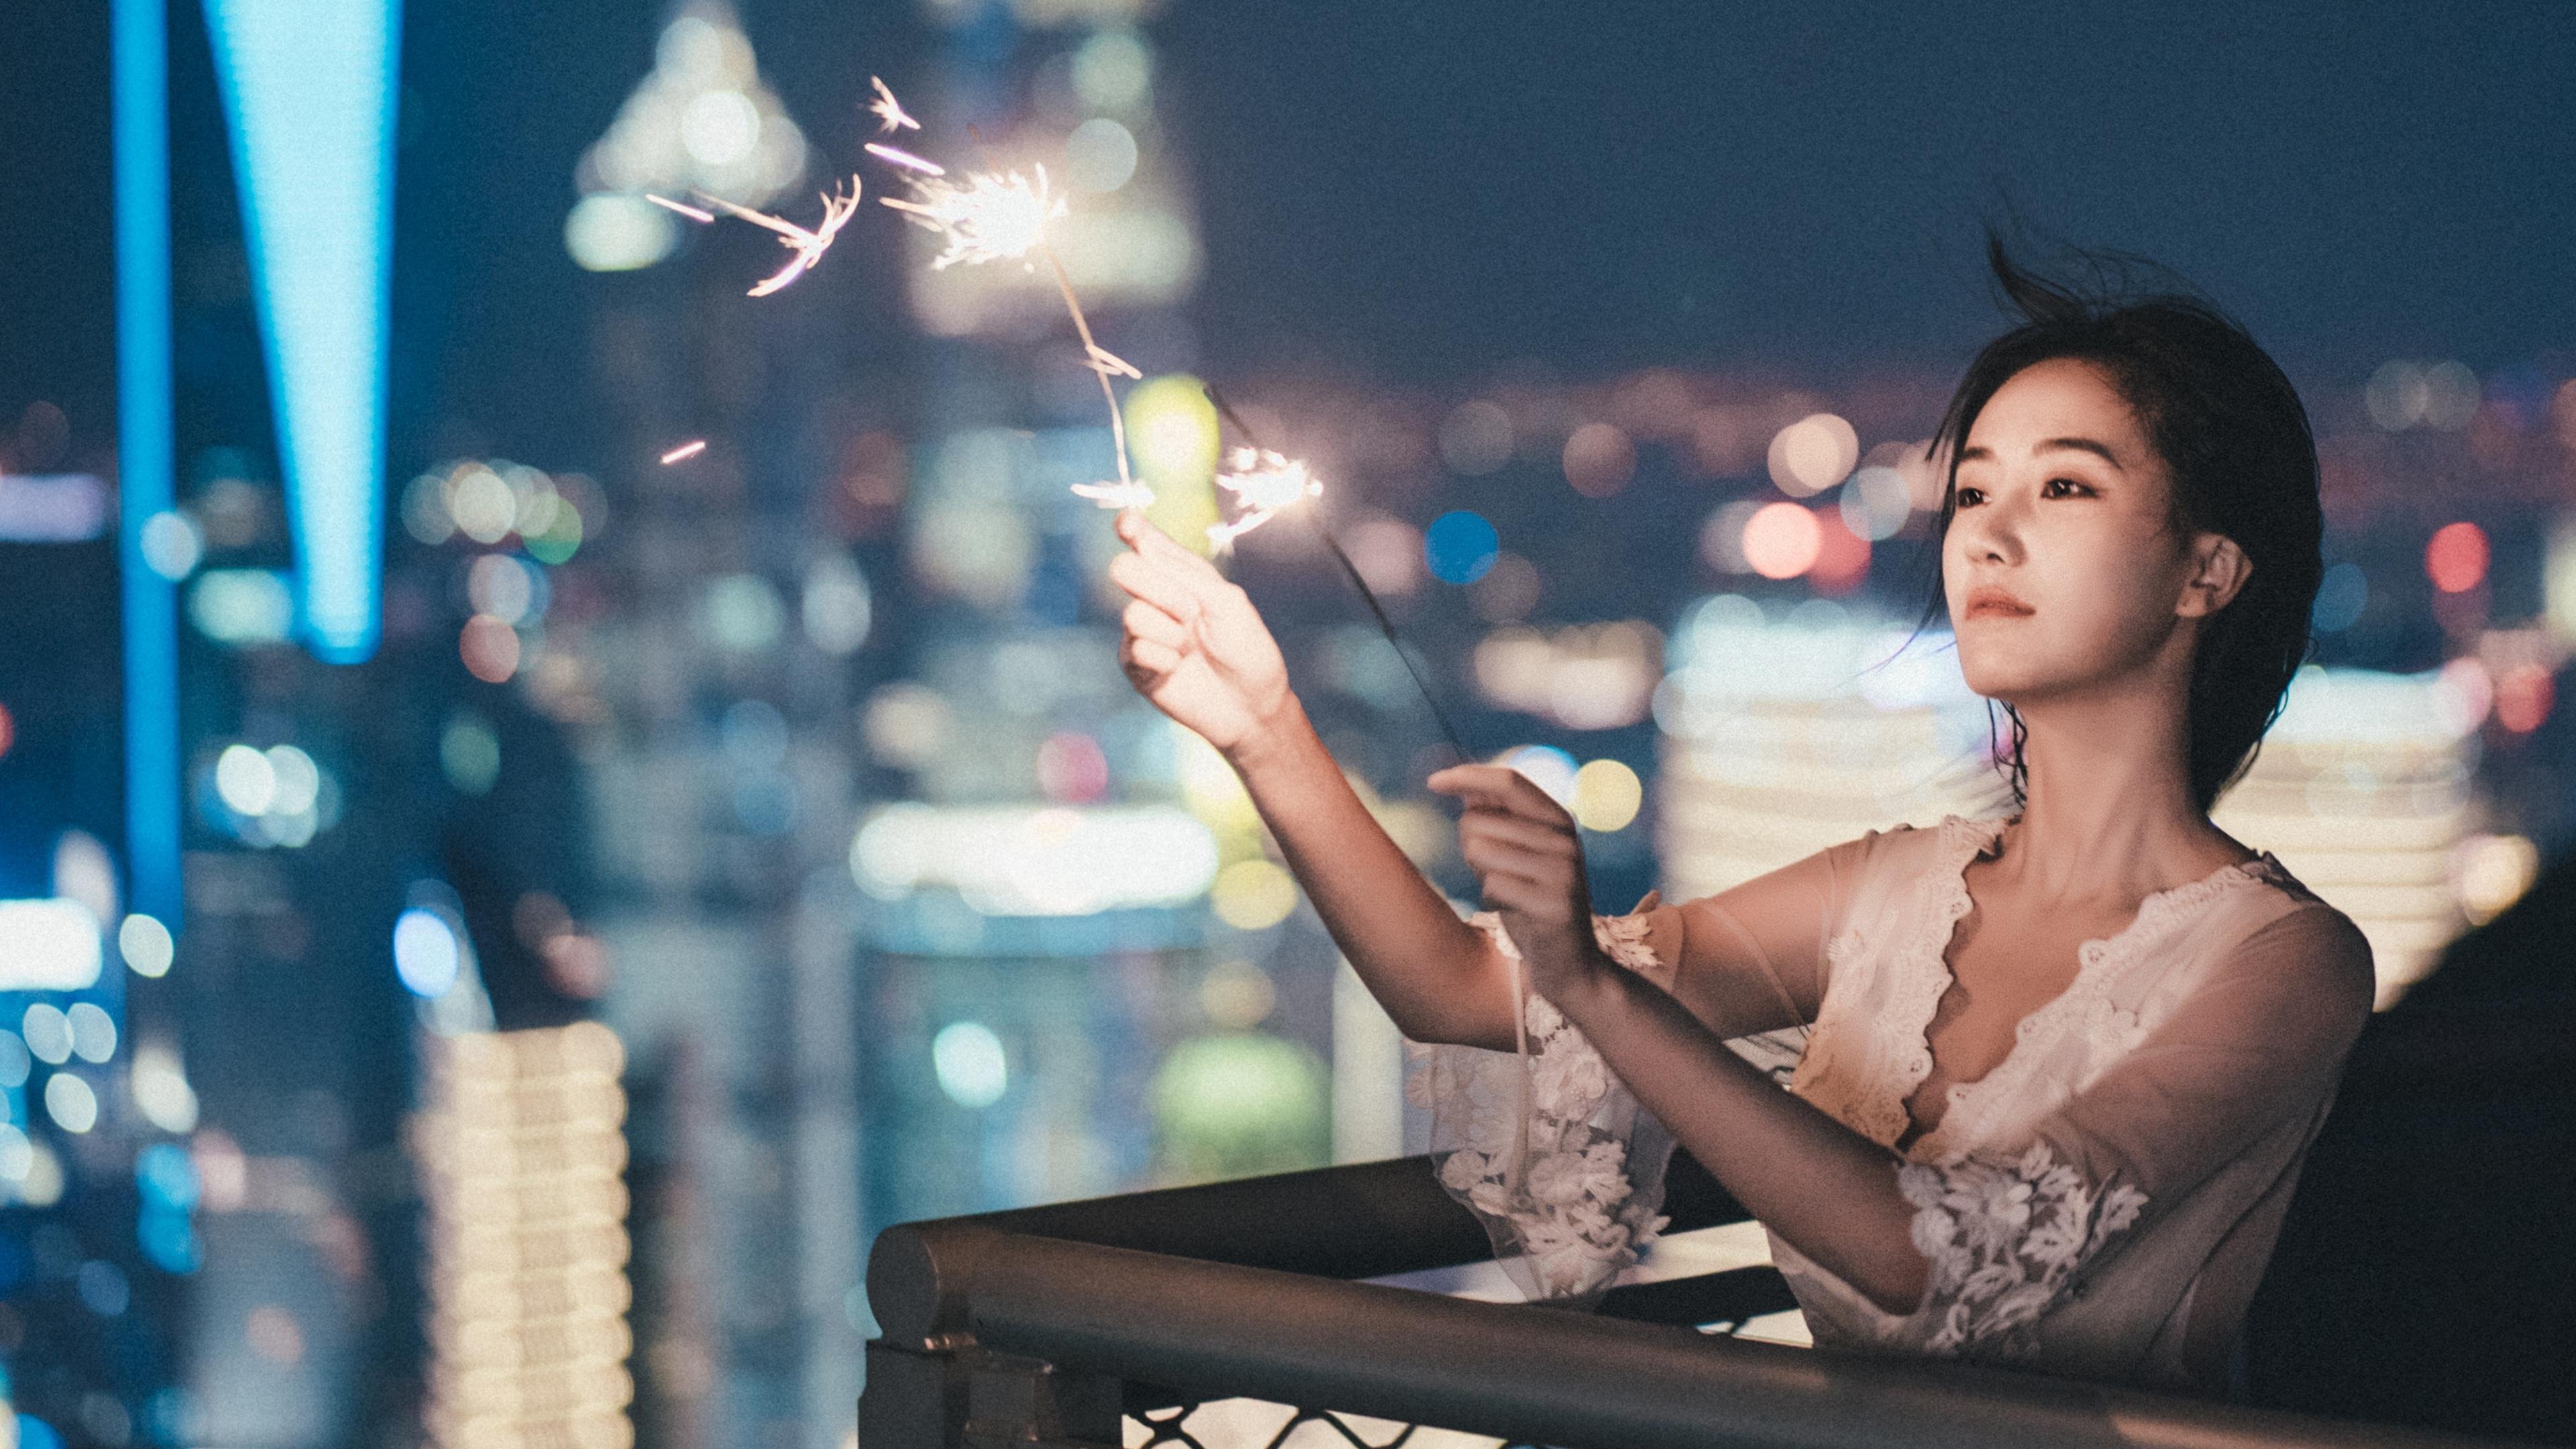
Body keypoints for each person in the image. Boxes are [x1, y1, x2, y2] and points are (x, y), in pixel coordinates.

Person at [1106, 239, 2374, 1399]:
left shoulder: (2282, 962)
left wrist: (1599, 989)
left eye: (2067, 490)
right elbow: (1462, 995)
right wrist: (1261, 725)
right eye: (1974, 491)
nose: (1989, 537)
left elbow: (1936, 1257)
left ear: (2209, 570)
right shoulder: (1890, 897)